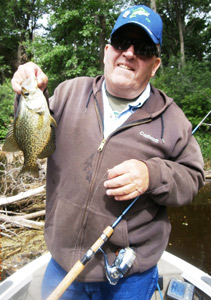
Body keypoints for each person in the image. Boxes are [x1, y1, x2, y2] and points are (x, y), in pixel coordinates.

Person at [11, 5, 204, 300]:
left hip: (129, 277)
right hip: (62, 264)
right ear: (106, 51)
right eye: (120, 42)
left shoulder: (173, 120)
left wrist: (152, 175)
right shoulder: (68, 93)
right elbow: (31, 125)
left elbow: (193, 178)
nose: (128, 53)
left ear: (155, 65)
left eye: (142, 48)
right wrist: (27, 85)